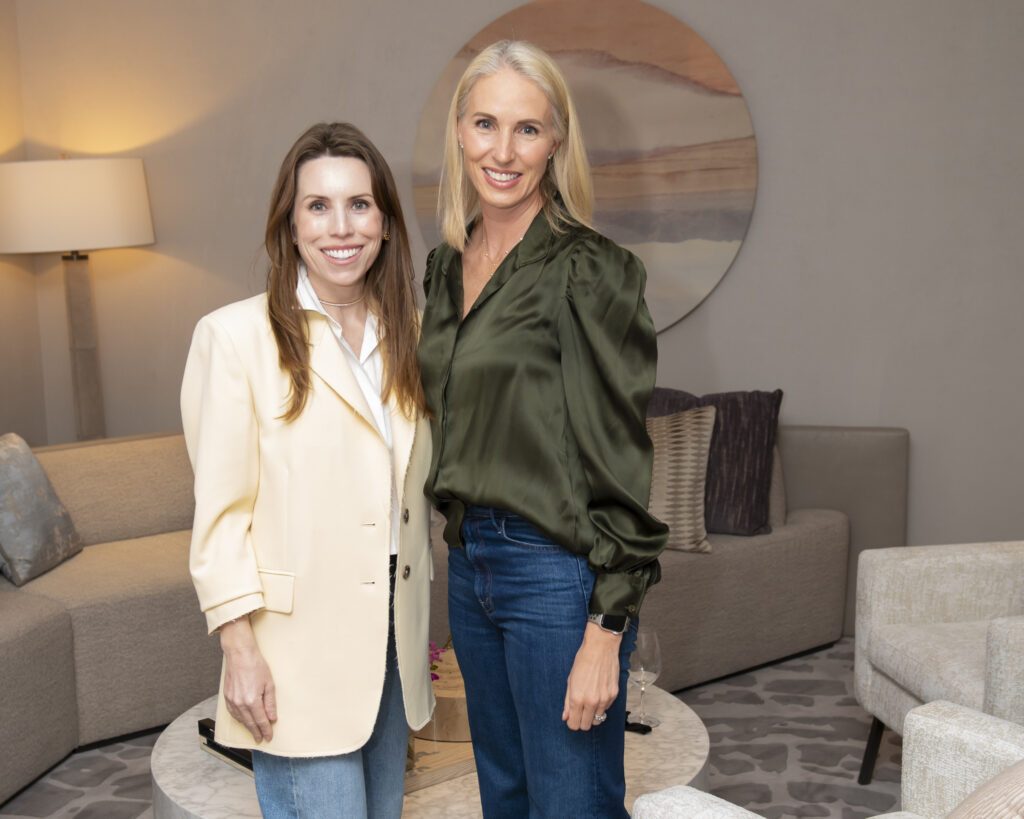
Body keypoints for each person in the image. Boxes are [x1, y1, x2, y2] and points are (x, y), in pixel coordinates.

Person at [417, 40, 669, 818]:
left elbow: (621, 460)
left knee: (573, 802)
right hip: (469, 566)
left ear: (557, 141)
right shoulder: (442, 266)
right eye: (486, 123)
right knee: (508, 795)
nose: (503, 150)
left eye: (527, 129)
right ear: (459, 131)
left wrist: (606, 630)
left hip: (555, 577)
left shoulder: (590, 270)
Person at [181, 122, 434, 819]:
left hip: (391, 633)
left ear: (384, 221)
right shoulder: (234, 338)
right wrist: (240, 649)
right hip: (292, 650)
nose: (340, 226)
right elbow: (221, 516)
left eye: (359, 203)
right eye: (317, 206)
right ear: (289, 225)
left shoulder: (411, 333)